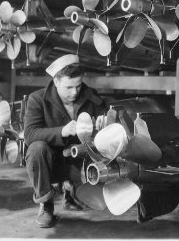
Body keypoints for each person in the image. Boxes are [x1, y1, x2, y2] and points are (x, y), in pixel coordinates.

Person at [24, 54, 107, 228]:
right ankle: (46, 204)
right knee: (36, 149)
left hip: (80, 162)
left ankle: (71, 192)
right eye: (69, 87)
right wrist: (62, 131)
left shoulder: (91, 96)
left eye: (78, 86)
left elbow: (107, 121)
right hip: (52, 163)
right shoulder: (37, 99)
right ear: (56, 81)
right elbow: (30, 134)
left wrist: (105, 122)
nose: (75, 92)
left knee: (94, 198)